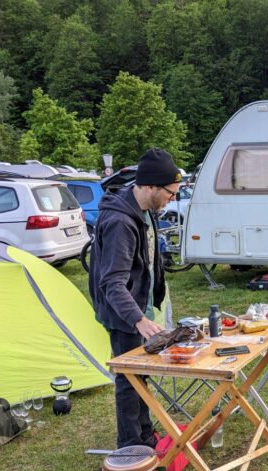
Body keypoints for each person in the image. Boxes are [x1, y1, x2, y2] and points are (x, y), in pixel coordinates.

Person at [89, 148, 182, 448]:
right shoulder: (120, 223)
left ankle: (145, 434)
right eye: (171, 192)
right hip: (122, 313)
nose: (173, 199)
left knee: (141, 375)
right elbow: (112, 282)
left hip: (138, 307)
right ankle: (131, 446)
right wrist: (138, 320)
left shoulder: (145, 211)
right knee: (129, 380)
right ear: (152, 186)